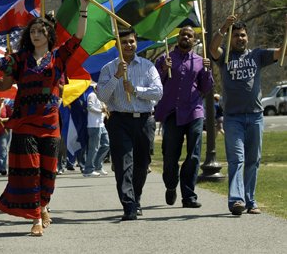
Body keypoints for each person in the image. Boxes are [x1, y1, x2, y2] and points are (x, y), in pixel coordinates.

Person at [0, 0, 91, 236]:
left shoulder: (59, 57)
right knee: (30, 170)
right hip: (24, 122)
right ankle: (36, 218)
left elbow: (79, 35)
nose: (36, 35)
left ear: (49, 35)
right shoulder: (20, 59)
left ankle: (43, 206)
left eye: (40, 31)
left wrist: (83, 7)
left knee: (48, 172)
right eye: (32, 32)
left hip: (50, 123)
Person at [209, 14, 287, 216]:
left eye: (242, 35)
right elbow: (212, 49)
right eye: (236, 36)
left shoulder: (258, 55)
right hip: (233, 117)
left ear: (247, 37)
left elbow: (280, 52)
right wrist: (224, 28)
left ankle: (250, 200)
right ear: (231, 38)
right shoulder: (225, 56)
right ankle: (236, 201)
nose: (240, 39)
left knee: (253, 160)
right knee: (237, 159)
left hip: (255, 116)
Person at [97, 28, 163, 220]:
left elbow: (158, 93)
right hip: (119, 120)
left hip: (144, 120)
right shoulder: (109, 68)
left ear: (136, 43)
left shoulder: (148, 66)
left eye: (131, 41)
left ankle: (136, 197)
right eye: (124, 42)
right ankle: (128, 204)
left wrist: (135, 90)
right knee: (124, 163)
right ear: (117, 45)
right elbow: (101, 95)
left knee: (142, 164)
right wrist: (117, 76)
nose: (128, 45)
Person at [154, 26, 214, 208]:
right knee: (170, 154)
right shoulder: (165, 58)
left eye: (190, 36)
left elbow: (205, 89)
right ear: (177, 38)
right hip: (172, 113)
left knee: (194, 154)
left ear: (194, 41)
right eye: (183, 35)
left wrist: (207, 71)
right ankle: (171, 186)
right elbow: (153, 84)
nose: (186, 37)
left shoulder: (200, 61)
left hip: (194, 110)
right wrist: (163, 69)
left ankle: (189, 196)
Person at [83, 84, 110, 177]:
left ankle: (98, 165)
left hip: (100, 125)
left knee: (106, 145)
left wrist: (104, 112)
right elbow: (90, 108)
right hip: (94, 125)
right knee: (93, 148)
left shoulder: (100, 97)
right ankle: (88, 170)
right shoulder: (92, 95)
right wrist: (101, 110)